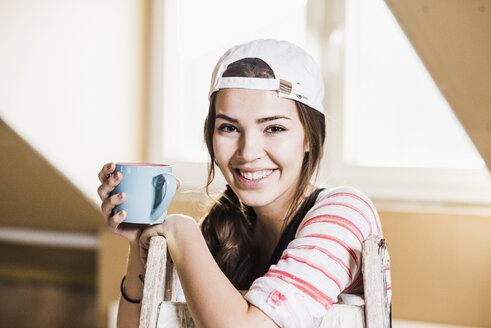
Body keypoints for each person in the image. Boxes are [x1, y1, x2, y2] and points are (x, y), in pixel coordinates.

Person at [97, 39, 391, 328]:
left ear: (310, 138)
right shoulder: (222, 232)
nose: (248, 152)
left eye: (274, 128)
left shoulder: (346, 212)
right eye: (229, 127)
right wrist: (142, 243)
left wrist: (181, 230)